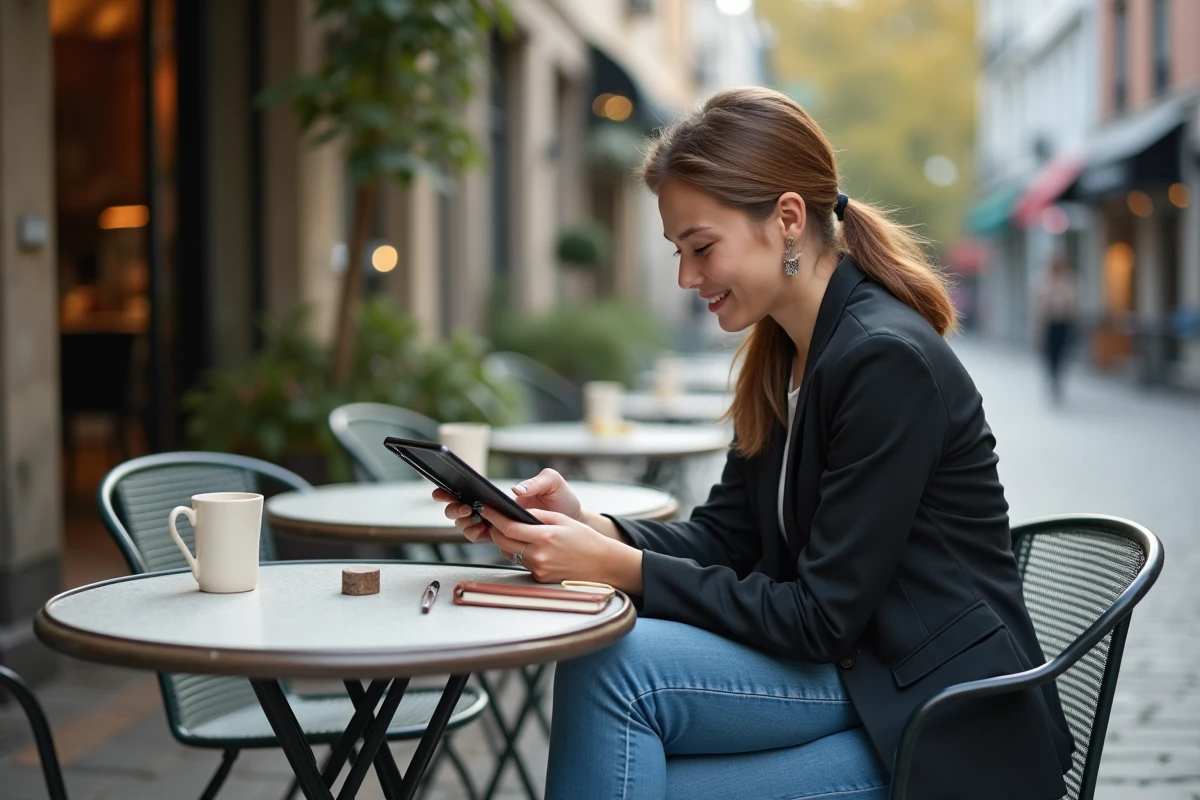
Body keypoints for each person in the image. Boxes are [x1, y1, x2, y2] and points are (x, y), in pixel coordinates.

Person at [433, 87, 1074, 800]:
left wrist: (620, 567)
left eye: (701, 247)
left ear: (788, 219)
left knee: (616, 670)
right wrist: (593, 528)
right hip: (864, 678)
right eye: (678, 251)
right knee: (632, 753)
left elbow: (820, 617)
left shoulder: (885, 360)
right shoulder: (784, 352)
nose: (686, 277)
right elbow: (728, 536)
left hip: (939, 718)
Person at [1036, 253, 1079, 404]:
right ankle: (1052, 378)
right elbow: (1040, 308)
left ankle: (1057, 378)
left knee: (1062, 353)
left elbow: (1073, 303)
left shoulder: (1068, 282)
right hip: (1049, 324)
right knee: (1050, 354)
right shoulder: (1044, 282)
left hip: (1064, 323)